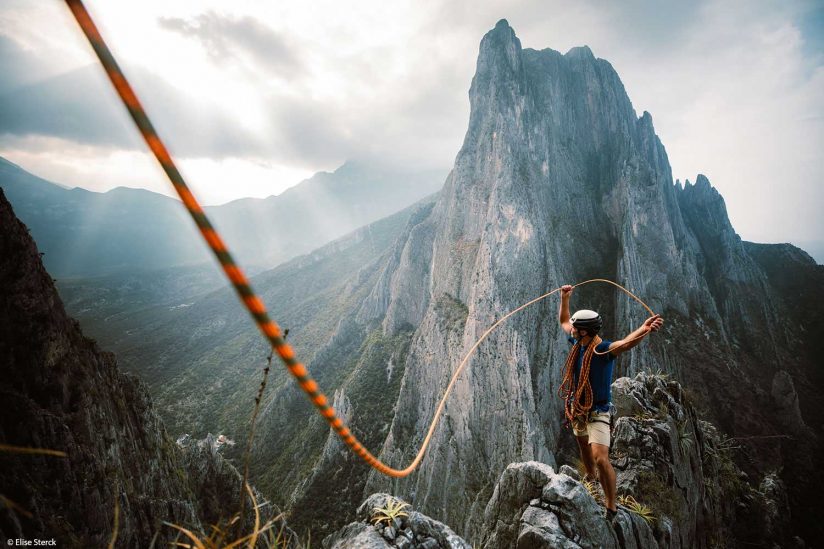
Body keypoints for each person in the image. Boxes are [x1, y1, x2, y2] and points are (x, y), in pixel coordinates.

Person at [557, 284, 663, 522]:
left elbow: (625, 343)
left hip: (598, 412)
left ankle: (611, 506)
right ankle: (591, 480)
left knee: (601, 458)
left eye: (576, 328)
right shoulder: (578, 344)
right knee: (583, 446)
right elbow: (564, 320)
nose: (571, 329)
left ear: (585, 331)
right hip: (579, 409)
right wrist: (565, 298)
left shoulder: (602, 351)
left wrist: (644, 329)